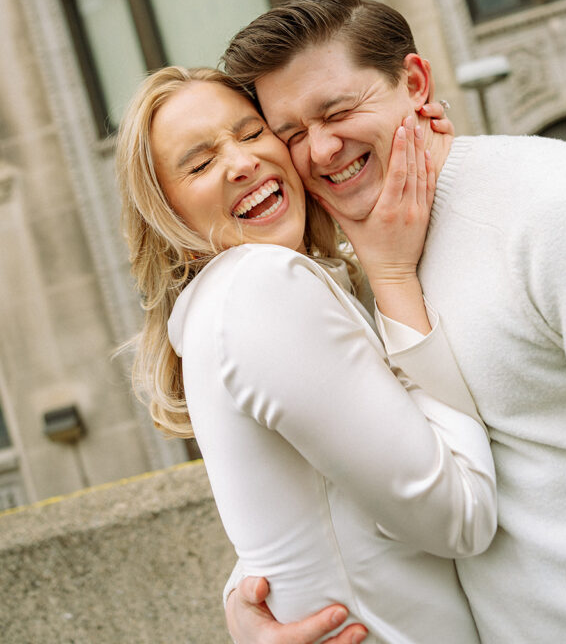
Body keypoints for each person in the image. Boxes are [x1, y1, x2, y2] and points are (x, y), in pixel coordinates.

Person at [220, 0, 566, 644]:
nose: (321, 151)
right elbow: (349, 473)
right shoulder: (343, 276)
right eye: (291, 133)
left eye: (339, 110)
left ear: (413, 82)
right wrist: (253, 599)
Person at [115, 65, 497, 644]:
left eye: (250, 133)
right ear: (168, 215)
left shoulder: (248, 294)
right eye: (199, 163)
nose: (241, 163)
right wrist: (391, 275)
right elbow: (461, 518)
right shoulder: (262, 287)